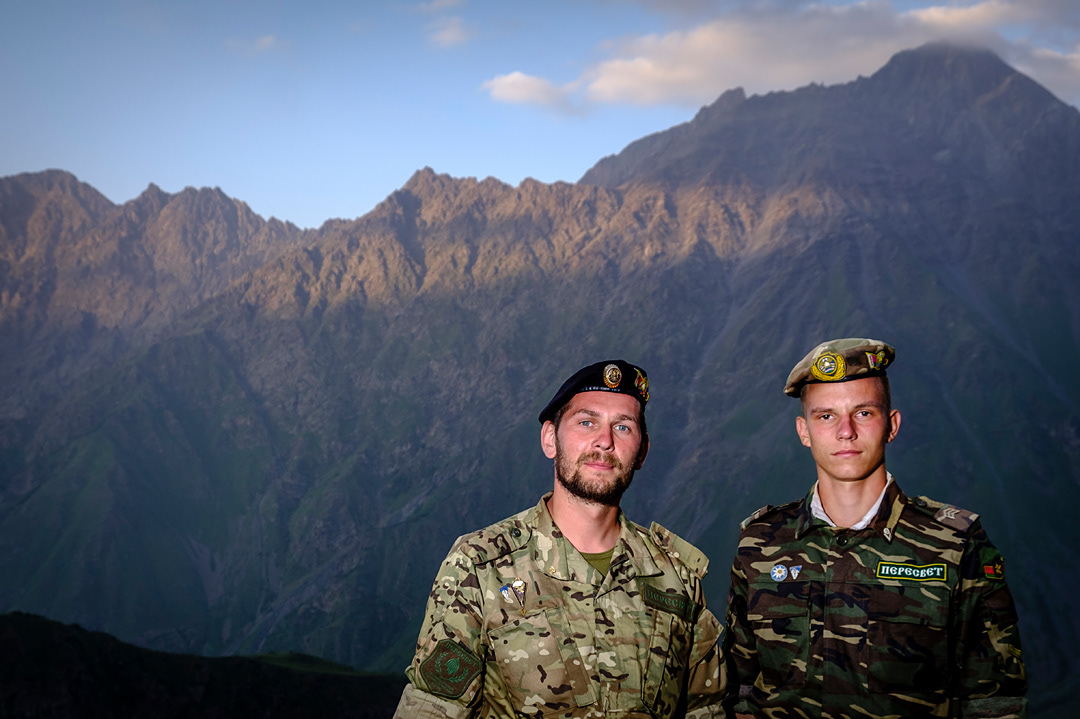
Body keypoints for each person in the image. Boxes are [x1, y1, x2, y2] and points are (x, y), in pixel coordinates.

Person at [394, 360, 730, 719]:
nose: (605, 441)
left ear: (642, 451)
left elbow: (705, 710)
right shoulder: (479, 567)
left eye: (623, 426)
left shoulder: (677, 578)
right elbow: (432, 708)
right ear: (550, 439)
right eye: (587, 422)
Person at [723, 338, 1027, 718]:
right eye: (826, 416)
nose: (846, 431)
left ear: (891, 425)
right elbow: (739, 692)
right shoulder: (760, 544)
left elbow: (993, 703)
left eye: (863, 413)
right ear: (804, 431)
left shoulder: (955, 545)